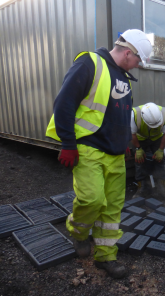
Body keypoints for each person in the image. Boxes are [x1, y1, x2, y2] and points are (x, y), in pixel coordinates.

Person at [45, 29, 152, 278]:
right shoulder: (89, 64)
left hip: (115, 154)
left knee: (112, 209)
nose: (138, 66)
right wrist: (68, 144)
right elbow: (64, 104)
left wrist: (125, 140)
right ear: (128, 53)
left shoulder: (124, 77)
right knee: (92, 200)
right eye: (138, 60)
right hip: (88, 149)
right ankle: (78, 232)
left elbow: (122, 113)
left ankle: (106, 256)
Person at [131, 102, 165, 199]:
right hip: (139, 138)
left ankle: (162, 186)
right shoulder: (134, 115)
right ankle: (142, 188)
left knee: (159, 160)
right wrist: (138, 148)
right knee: (139, 161)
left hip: (156, 138)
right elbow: (132, 134)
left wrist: (161, 150)